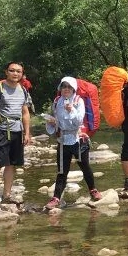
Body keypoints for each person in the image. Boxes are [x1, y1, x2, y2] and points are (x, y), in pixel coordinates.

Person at [44, 76, 103, 209]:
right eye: (64, 87)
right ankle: (56, 198)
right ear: (60, 88)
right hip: (62, 139)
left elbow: (79, 120)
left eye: (69, 87)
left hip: (78, 139)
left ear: (73, 89)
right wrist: (52, 122)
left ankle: (93, 190)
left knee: (85, 166)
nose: (66, 89)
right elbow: (55, 118)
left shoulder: (78, 101)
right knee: (61, 171)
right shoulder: (57, 101)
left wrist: (72, 110)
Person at [0, 62, 32, 210]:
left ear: (22, 74)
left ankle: (6, 196)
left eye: (18, 71)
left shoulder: (23, 90)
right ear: (6, 72)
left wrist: (27, 133)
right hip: (1, 130)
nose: (15, 74)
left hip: (17, 131)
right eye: (12, 71)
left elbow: (25, 112)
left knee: (11, 164)